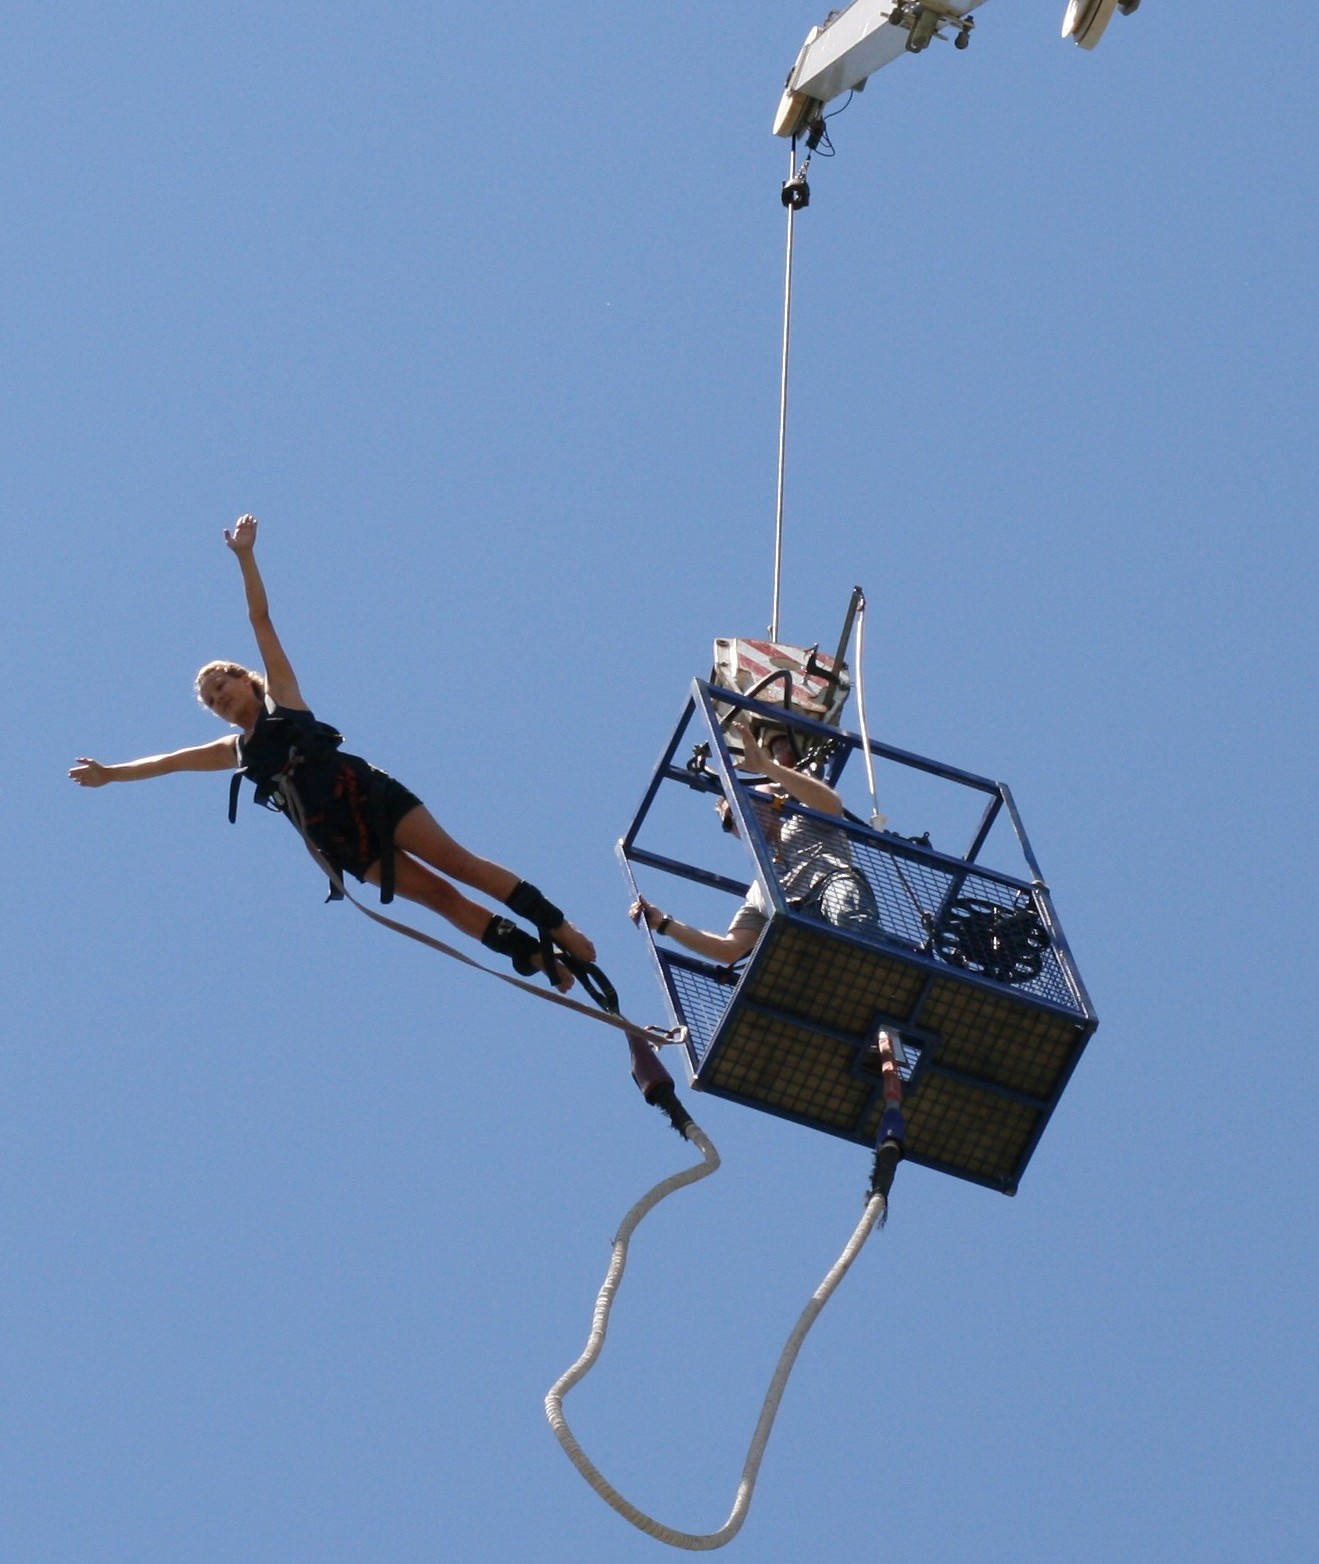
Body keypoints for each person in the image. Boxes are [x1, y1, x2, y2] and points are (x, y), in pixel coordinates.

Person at [69, 515, 597, 992]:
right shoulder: (236, 750)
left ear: (245, 680)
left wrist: (245, 557)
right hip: (341, 839)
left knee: (457, 863)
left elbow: (260, 620)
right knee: (439, 899)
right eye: (209, 700)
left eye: (220, 686)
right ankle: (534, 956)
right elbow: (168, 762)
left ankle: (554, 924)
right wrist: (110, 774)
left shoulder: (283, 700)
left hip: (368, 796)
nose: (217, 698)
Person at [630, 720, 877, 962]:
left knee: (840, 894)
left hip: (834, 896)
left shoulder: (804, 820)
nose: (738, 819)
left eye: (741, 806)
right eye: (729, 821)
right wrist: (665, 924)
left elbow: (831, 805)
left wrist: (767, 768)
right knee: (785, 940)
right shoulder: (762, 889)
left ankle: (864, 954)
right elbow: (729, 950)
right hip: (804, 933)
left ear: (767, 803)